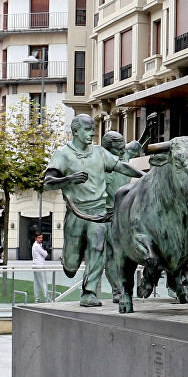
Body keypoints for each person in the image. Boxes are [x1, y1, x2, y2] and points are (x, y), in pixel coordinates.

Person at [43, 114, 142, 307]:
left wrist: (145, 176)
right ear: (75, 131)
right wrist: (69, 179)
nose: (91, 134)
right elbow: (48, 183)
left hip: (98, 213)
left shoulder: (99, 152)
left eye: (93, 130)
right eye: (87, 130)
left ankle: (88, 293)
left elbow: (121, 166)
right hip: (76, 213)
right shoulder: (63, 154)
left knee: (98, 250)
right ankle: (69, 259)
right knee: (71, 265)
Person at [32, 233, 50, 303]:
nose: (41, 239)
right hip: (39, 266)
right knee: (43, 282)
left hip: (36, 265)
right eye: (39, 238)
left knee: (36, 282)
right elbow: (45, 254)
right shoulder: (37, 246)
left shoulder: (37, 245)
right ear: (36, 238)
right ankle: (47, 298)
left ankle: (37, 298)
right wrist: (45, 251)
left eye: (41, 238)